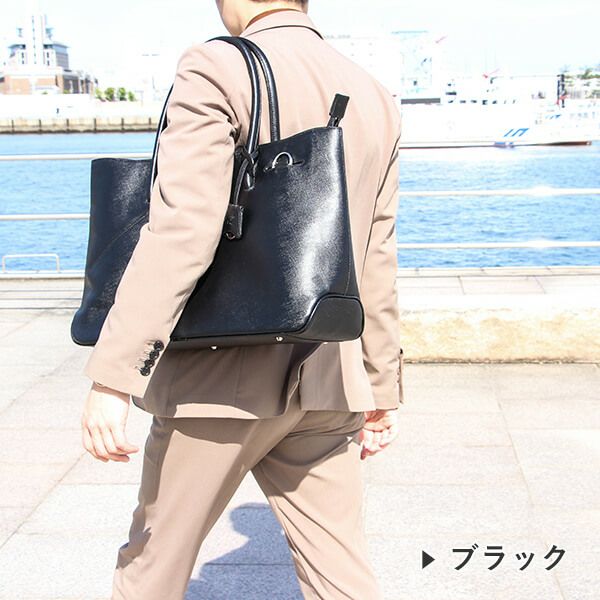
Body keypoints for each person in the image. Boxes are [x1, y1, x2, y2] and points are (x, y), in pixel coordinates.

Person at [79, 1, 404, 598]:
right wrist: (381, 386)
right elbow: (374, 254)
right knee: (340, 574)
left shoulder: (218, 66)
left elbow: (183, 228)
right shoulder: (374, 92)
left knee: (151, 567)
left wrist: (114, 375)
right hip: (328, 377)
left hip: (221, 378)